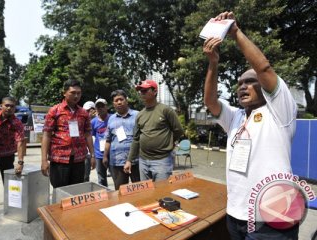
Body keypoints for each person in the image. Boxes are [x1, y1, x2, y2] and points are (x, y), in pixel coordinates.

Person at [203, 12, 298, 239]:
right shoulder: (236, 116)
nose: (243, 87)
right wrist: (213, 63)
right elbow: (210, 101)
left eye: (250, 82)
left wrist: (235, 32)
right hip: (236, 215)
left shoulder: (279, 110)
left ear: (264, 88)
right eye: (240, 83)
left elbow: (264, 69)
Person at [124, 80, 184, 181]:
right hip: (143, 161)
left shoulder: (166, 110)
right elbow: (136, 139)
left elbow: (178, 130)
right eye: (140, 91)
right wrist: (129, 160)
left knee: (162, 193)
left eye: (145, 90)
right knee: (147, 194)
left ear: (155, 91)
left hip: (162, 160)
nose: (142, 93)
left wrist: (169, 142)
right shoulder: (140, 115)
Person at [41, 79, 96, 189]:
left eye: (79, 93)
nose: (76, 96)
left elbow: (88, 134)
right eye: (73, 93)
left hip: (79, 160)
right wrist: (44, 160)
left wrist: (93, 155)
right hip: (59, 159)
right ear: (64, 93)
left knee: (75, 191)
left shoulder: (84, 113)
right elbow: (46, 135)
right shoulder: (55, 111)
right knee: (60, 191)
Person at [103, 90, 140, 190]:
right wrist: (105, 156)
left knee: (141, 190)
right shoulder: (111, 119)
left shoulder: (137, 115)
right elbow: (108, 139)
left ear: (126, 101)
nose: (119, 102)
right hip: (117, 162)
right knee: (120, 191)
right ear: (113, 103)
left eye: (121, 99)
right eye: (116, 100)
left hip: (136, 161)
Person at [91, 98, 110, 187]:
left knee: (116, 176)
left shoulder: (113, 118)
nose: (100, 109)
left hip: (112, 153)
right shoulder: (93, 122)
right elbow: (93, 136)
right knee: (101, 179)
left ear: (106, 107)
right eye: (98, 107)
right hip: (99, 154)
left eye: (102, 106)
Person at [82, 101, 96, 182]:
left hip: (92, 154)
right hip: (83, 154)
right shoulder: (81, 121)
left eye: (88, 111)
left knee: (86, 177)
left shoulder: (98, 121)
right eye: (85, 111)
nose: (86, 113)